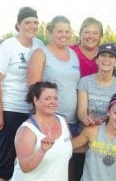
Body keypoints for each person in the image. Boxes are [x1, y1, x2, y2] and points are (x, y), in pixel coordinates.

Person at [0, 6, 44, 181]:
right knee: (6, 162)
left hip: (33, 111)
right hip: (11, 109)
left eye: (35, 22)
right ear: (18, 25)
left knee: (31, 159)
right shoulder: (7, 47)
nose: (32, 26)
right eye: (27, 22)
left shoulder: (39, 45)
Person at [26, 15, 80, 180]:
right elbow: (33, 90)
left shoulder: (73, 54)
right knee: (47, 162)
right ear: (50, 32)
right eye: (59, 31)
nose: (64, 35)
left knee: (69, 162)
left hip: (71, 119)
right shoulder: (40, 54)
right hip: (50, 120)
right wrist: (44, 118)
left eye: (67, 31)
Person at [11, 81, 72, 181]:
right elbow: (25, 167)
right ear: (35, 100)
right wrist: (42, 151)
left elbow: (68, 146)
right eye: (47, 99)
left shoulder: (62, 121)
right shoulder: (26, 130)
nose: (53, 102)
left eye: (55, 98)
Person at [77, 43, 116, 126]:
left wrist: (105, 122)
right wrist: (86, 119)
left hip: (108, 130)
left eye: (111, 57)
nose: (106, 59)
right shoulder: (85, 82)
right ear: (97, 60)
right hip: (87, 130)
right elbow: (81, 111)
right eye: (103, 55)